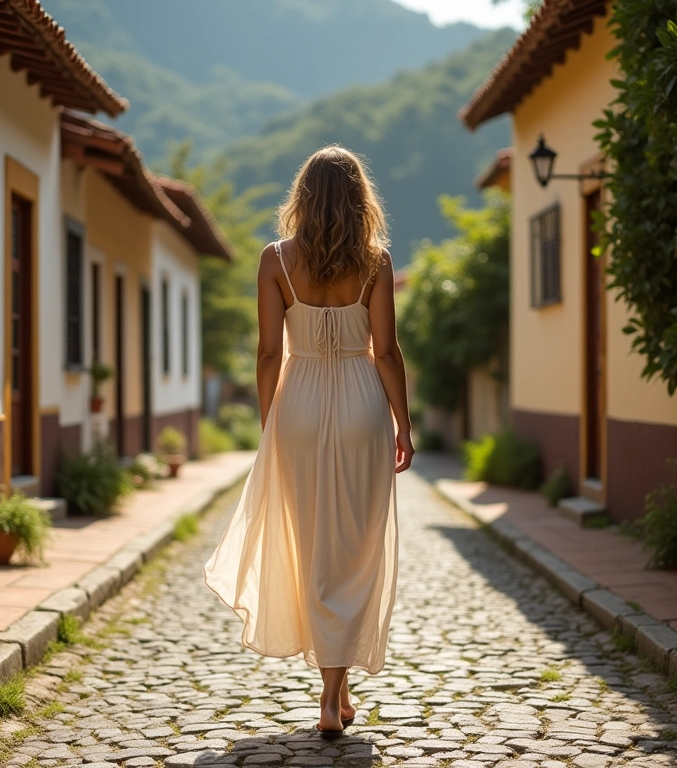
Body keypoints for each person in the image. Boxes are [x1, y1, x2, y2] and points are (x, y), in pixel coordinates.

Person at [204, 145, 414, 734]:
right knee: (352, 551)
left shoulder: (274, 259)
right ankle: (333, 693)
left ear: (301, 196)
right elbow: (386, 351)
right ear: (359, 199)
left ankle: (331, 694)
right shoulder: (377, 261)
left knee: (311, 547)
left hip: (296, 404)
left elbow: (269, 352)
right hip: (361, 407)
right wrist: (404, 422)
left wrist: (270, 421)